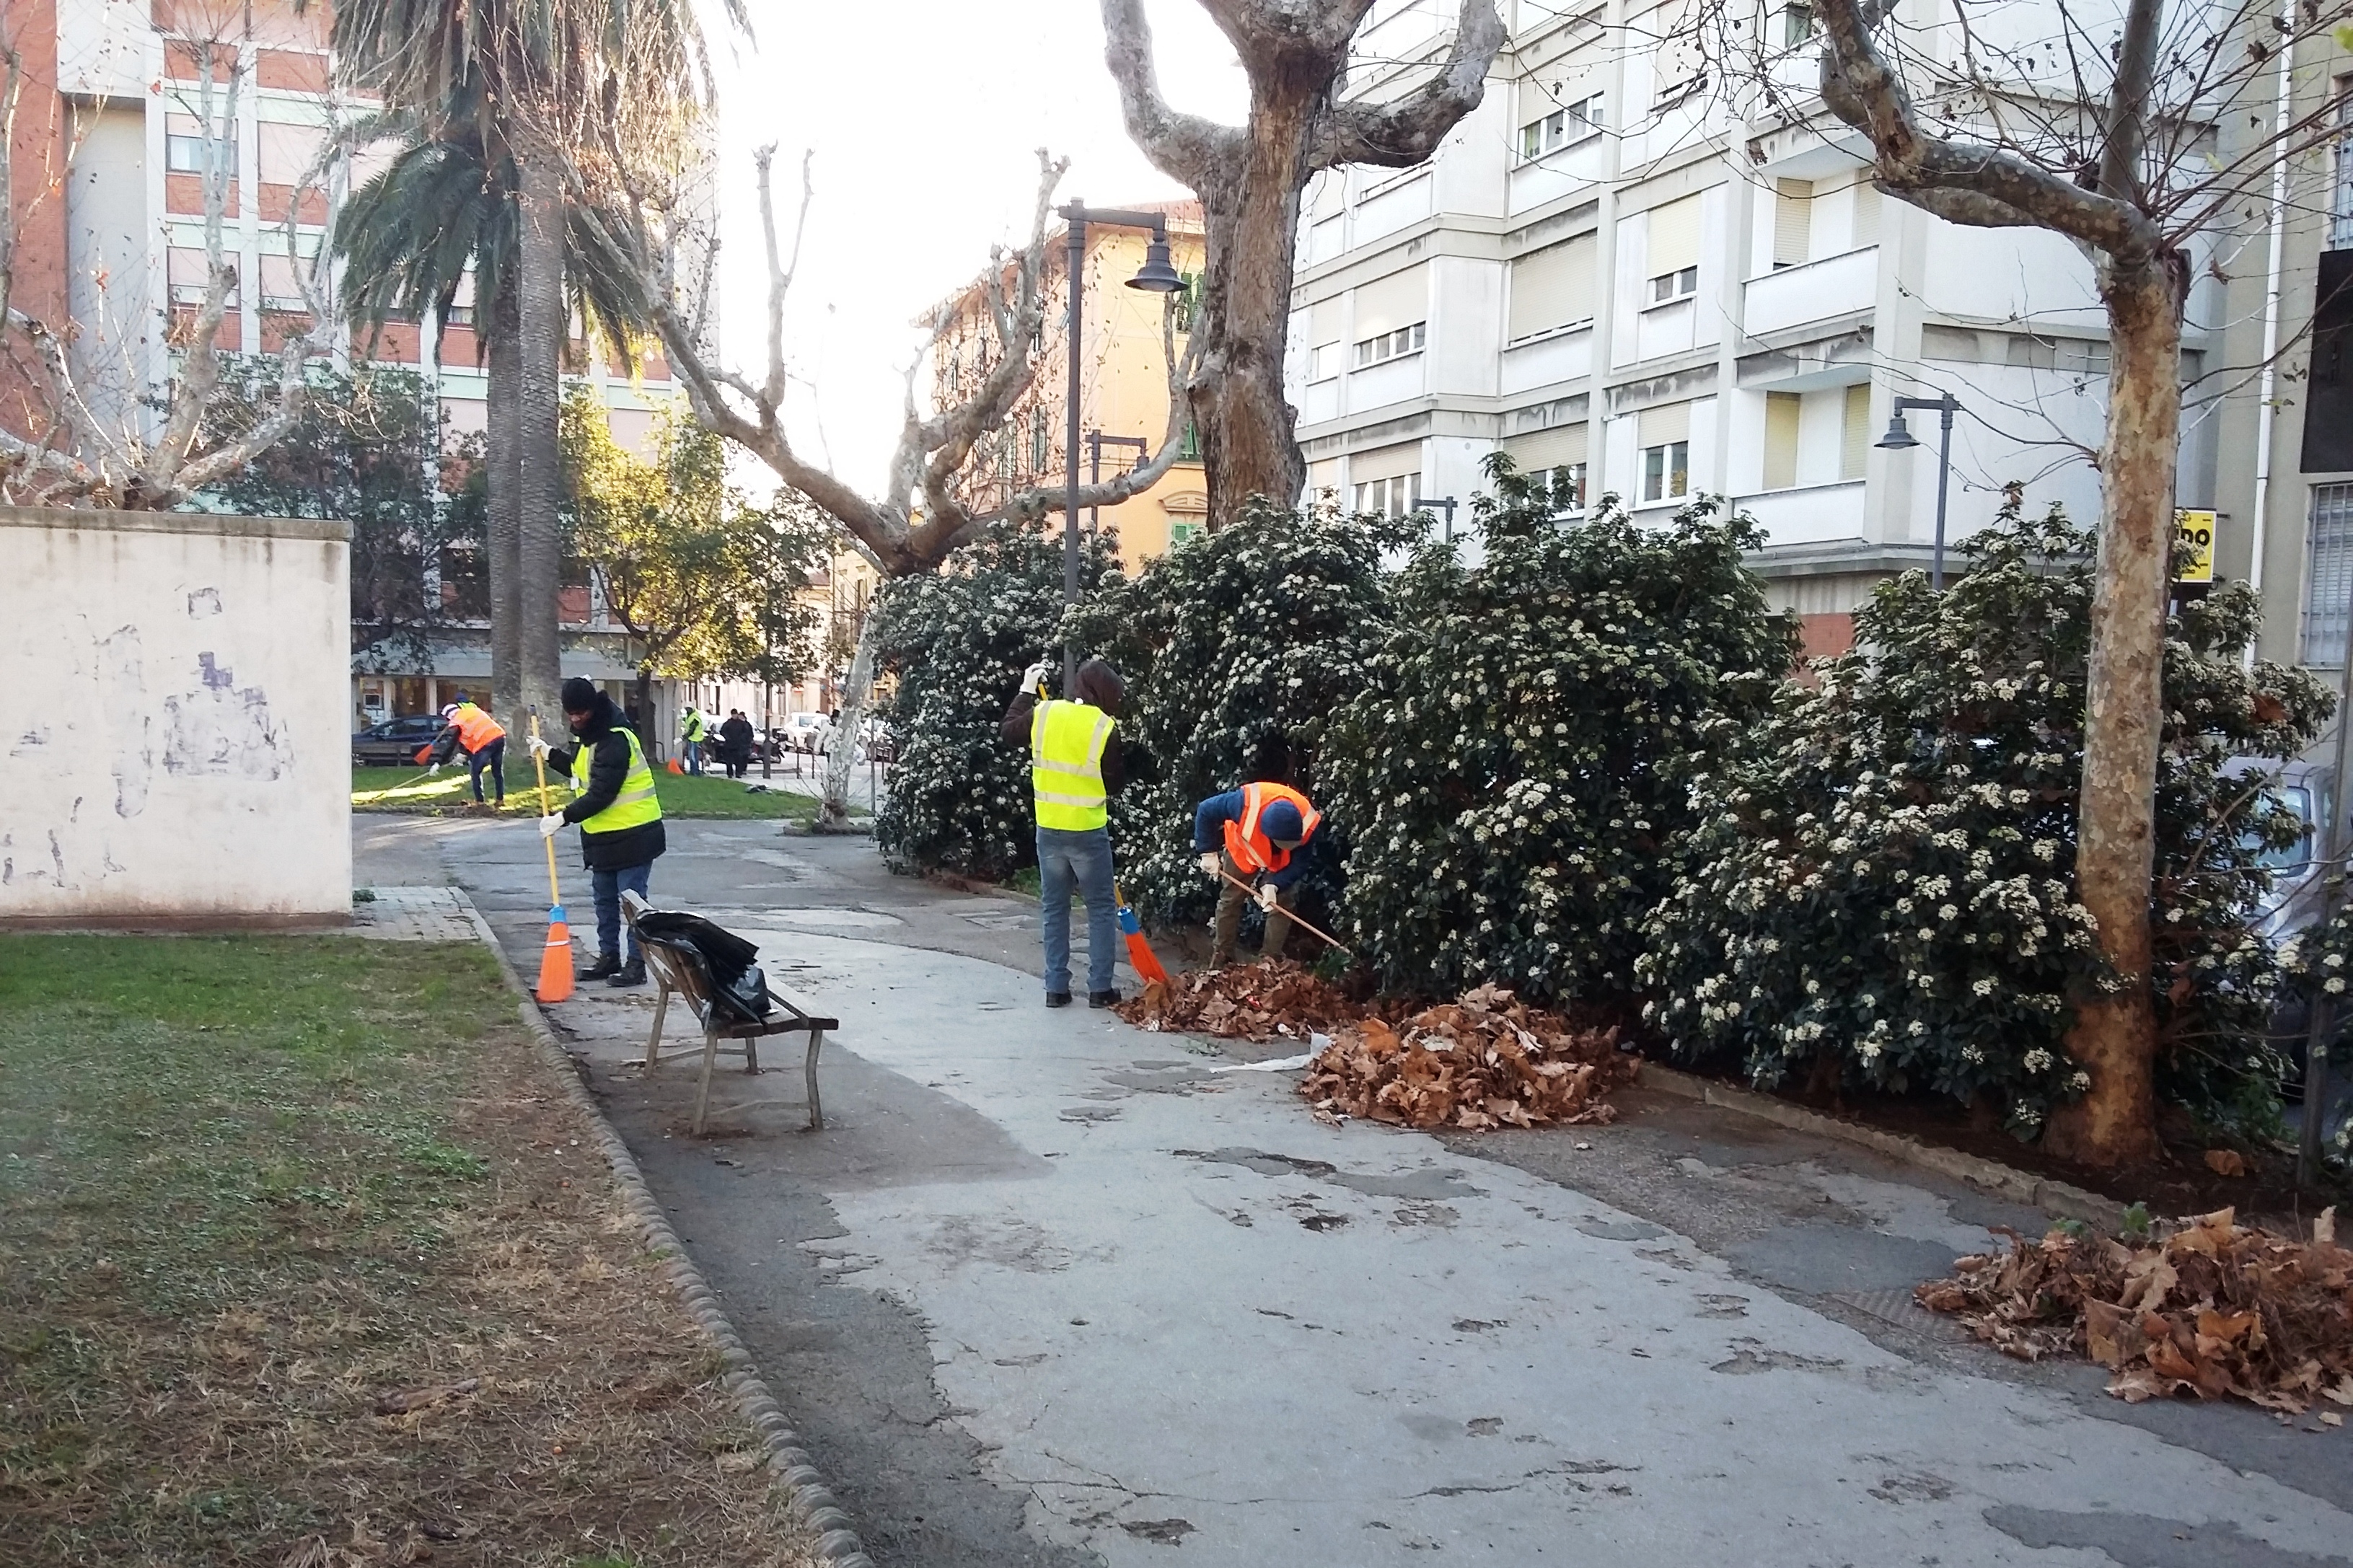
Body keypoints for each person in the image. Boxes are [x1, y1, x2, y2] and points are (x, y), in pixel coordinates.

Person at [1001, 656, 1127, 1008]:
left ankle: (1056, 989)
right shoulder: (1105, 727)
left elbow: (1009, 731)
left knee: (1055, 909)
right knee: (1101, 909)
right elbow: (1115, 783)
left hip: (1050, 830)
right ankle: (1100, 989)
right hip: (1088, 830)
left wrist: (1026, 691)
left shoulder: (1045, 713)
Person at [529, 677, 667, 987]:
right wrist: (550, 754)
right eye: (571, 714)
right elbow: (583, 771)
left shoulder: (616, 738)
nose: (576, 719)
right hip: (603, 838)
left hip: (635, 834)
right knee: (603, 901)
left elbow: (602, 792)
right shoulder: (589, 737)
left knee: (633, 905)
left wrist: (563, 817)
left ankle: (636, 965)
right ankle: (609, 958)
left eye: (581, 713)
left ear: (593, 707)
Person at [1194, 780, 1322, 967]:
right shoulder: (1242, 803)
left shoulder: (1309, 822)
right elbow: (1206, 810)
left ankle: (1269, 960)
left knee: (1282, 904)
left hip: (1281, 862)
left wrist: (1275, 883)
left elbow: (1300, 863)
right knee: (1230, 900)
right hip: (1243, 850)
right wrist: (1207, 852)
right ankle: (1223, 954)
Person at [426, 695, 506, 806]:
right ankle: (500, 800)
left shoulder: (458, 720)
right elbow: (469, 737)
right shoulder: (473, 711)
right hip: (499, 736)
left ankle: (480, 802)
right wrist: (465, 754)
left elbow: (451, 744)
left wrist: (439, 763)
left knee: (475, 772)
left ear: (449, 716)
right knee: (497, 770)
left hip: (486, 742)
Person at [720, 708, 755, 779]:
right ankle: (730, 774)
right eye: (733, 715)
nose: (734, 716)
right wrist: (727, 738)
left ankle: (738, 773)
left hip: (739, 745)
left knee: (739, 760)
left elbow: (747, 732)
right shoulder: (728, 723)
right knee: (729, 761)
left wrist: (742, 738)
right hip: (729, 745)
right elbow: (722, 731)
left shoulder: (742, 723)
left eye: (735, 714)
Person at [679, 703, 708, 775]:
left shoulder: (695, 717)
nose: (686, 711)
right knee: (692, 756)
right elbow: (687, 723)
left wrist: (684, 737)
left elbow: (692, 729)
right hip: (692, 739)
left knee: (693, 756)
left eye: (688, 709)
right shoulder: (690, 716)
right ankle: (694, 771)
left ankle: (695, 772)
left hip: (695, 739)